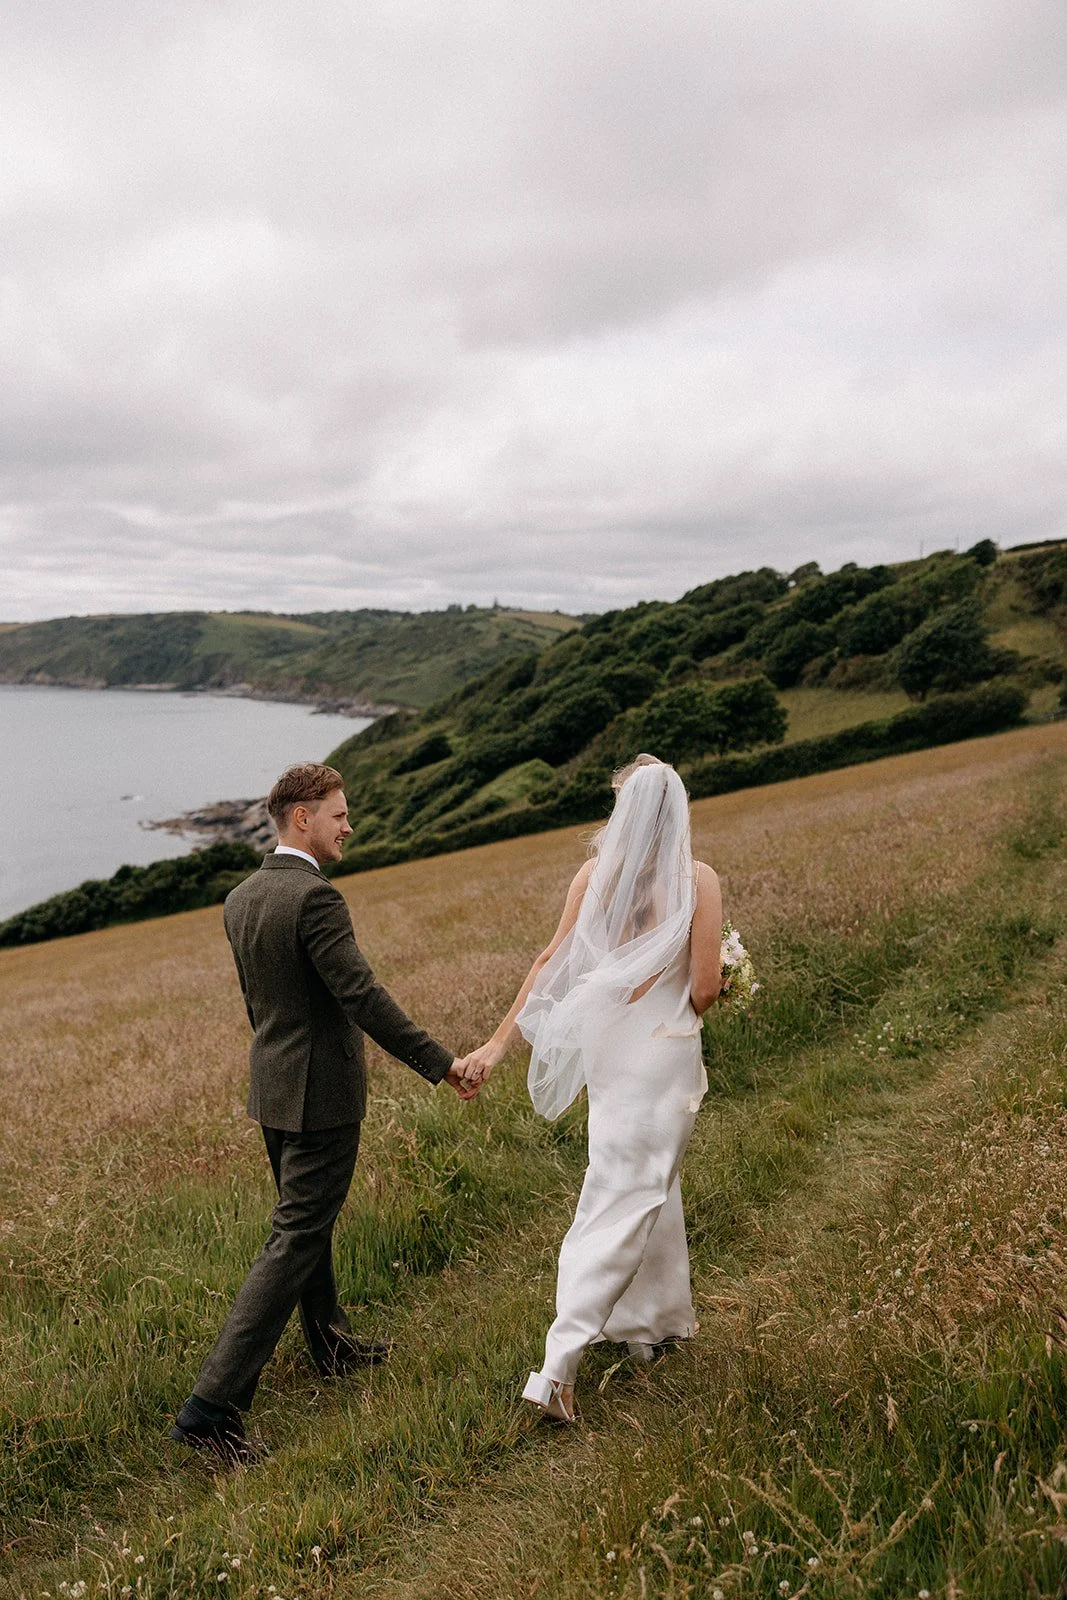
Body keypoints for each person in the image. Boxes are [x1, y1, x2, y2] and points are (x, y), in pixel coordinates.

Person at [170, 762, 476, 1463]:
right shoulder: (315, 899)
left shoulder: (241, 897)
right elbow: (361, 996)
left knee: (305, 1227)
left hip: (272, 1086)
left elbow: (260, 1005)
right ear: (301, 817)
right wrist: (440, 1062)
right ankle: (208, 1411)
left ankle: (329, 1345)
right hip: (320, 1093)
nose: (348, 826)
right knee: (295, 1238)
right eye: (338, 814)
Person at [463, 754, 722, 1423]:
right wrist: (715, 990)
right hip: (661, 1057)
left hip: (612, 1058)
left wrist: (497, 1042)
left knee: (640, 1188)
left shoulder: (591, 876)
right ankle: (556, 1368)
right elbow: (701, 988)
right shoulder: (697, 881)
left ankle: (650, 1326)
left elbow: (550, 962)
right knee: (628, 1197)